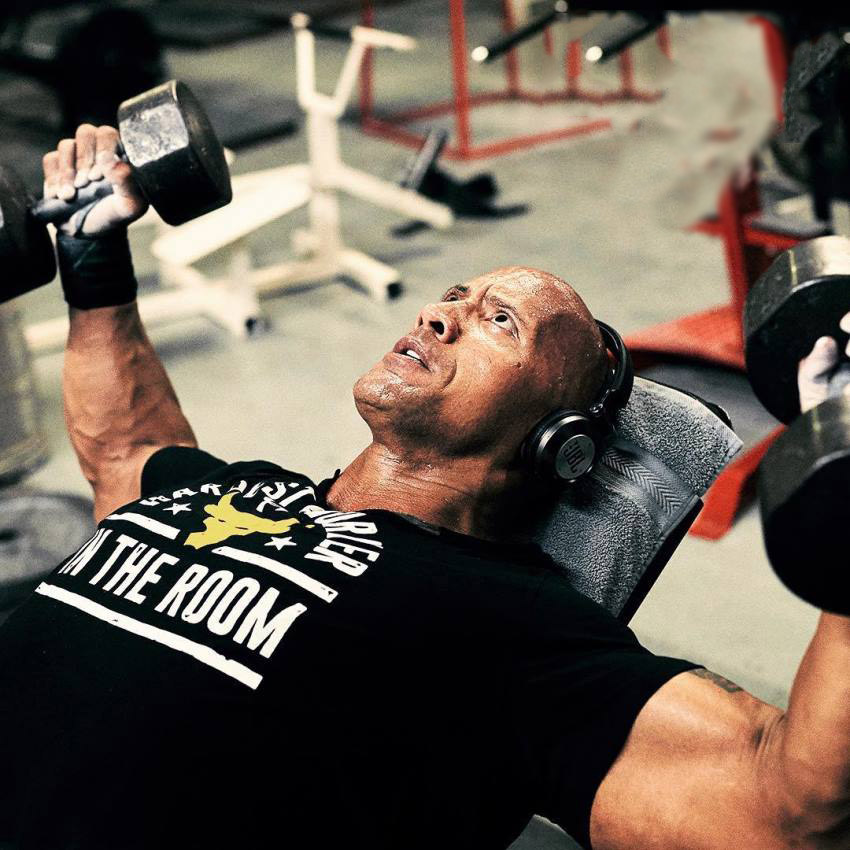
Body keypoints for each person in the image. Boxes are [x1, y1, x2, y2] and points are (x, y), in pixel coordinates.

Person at [0, 124, 849, 850]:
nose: (437, 315)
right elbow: (126, 449)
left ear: (562, 442)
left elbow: (782, 808)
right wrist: (93, 255)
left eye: (499, 323)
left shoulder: (508, 624)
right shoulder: (241, 492)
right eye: (455, 296)